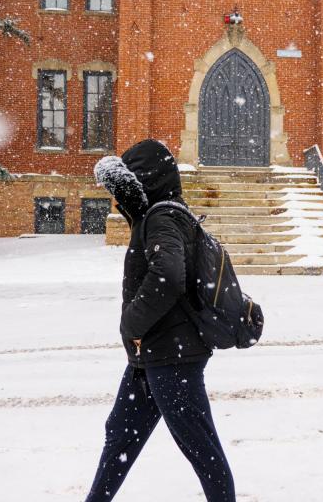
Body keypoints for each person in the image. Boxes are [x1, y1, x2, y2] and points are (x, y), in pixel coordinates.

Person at [85, 139, 236, 502]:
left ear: (145, 180)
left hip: (173, 355)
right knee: (121, 434)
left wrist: (131, 325)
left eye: (124, 187)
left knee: (200, 447)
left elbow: (168, 275)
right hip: (154, 352)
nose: (118, 199)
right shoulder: (160, 215)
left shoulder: (162, 217)